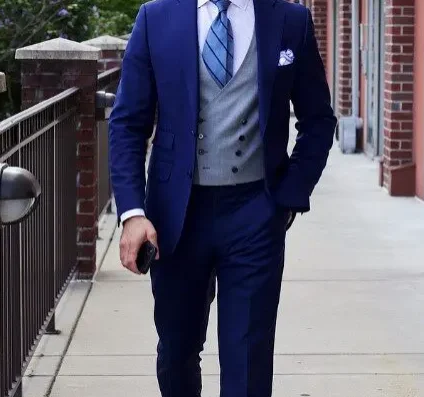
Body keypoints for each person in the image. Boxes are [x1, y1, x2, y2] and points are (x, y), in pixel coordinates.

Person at [108, 0, 337, 395]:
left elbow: (318, 120)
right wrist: (132, 212)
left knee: (248, 358)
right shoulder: (156, 17)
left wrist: (288, 197)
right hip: (176, 217)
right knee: (177, 351)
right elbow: (128, 123)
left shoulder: (290, 19)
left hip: (255, 213)